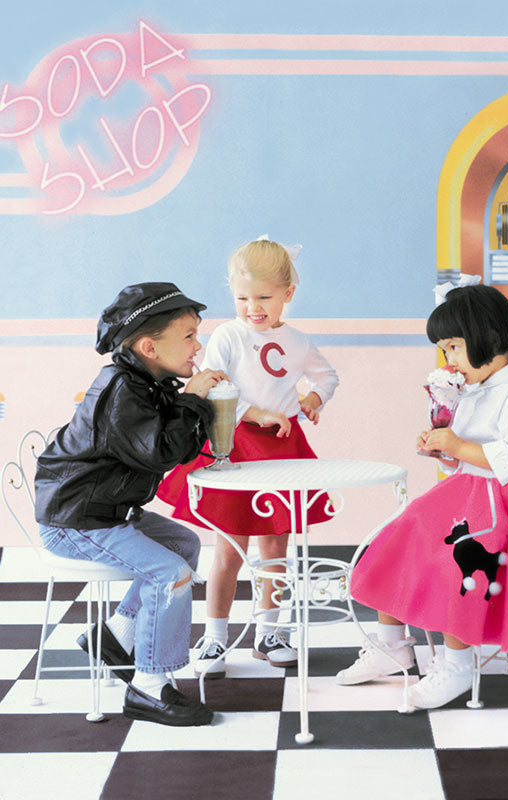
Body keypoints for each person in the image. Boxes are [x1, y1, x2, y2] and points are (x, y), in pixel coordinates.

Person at [337, 282, 508, 709]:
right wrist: (446, 450)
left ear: (487, 338)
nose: (449, 361)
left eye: (454, 348)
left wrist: (458, 447)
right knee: (395, 541)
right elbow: (465, 458)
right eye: (445, 351)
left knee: (451, 565)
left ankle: (457, 665)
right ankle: (391, 645)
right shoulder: (479, 390)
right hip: (467, 496)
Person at [34, 282, 228, 726]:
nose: (198, 347)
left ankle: (115, 635)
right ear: (149, 346)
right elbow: (160, 452)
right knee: (172, 575)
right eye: (189, 337)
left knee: (183, 544)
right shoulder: (123, 390)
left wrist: (189, 400)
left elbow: (173, 449)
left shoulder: (147, 382)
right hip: (77, 521)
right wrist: (194, 398)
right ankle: (149, 687)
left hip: (105, 512)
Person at [158, 236, 339, 678]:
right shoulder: (228, 335)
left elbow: (327, 375)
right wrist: (253, 411)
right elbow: (211, 387)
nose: (252, 307)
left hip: (283, 449)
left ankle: (269, 633)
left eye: (263, 297)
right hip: (234, 444)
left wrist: (313, 398)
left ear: (287, 295)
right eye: (242, 298)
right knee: (229, 548)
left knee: (276, 546)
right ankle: (215, 635)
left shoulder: (297, 341)